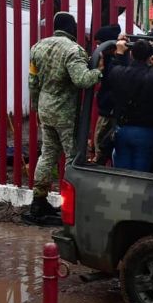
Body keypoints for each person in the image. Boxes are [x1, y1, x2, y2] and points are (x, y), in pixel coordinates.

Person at [26, 12, 103, 224]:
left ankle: (38, 203)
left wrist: (36, 107)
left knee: (47, 155)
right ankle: (70, 206)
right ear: (71, 28)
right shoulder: (73, 50)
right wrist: (99, 72)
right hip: (65, 113)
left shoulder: (37, 47)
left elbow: (33, 82)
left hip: (45, 108)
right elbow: (82, 80)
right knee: (72, 156)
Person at [106, 39, 153, 172]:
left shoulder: (118, 72)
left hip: (122, 127)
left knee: (122, 169)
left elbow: (111, 72)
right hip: (147, 129)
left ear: (131, 54)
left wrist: (119, 54)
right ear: (150, 58)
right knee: (141, 170)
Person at [93, 24, 121, 165]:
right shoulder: (110, 60)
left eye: (99, 44)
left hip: (109, 111)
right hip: (109, 109)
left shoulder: (114, 63)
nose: (98, 48)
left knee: (101, 143)